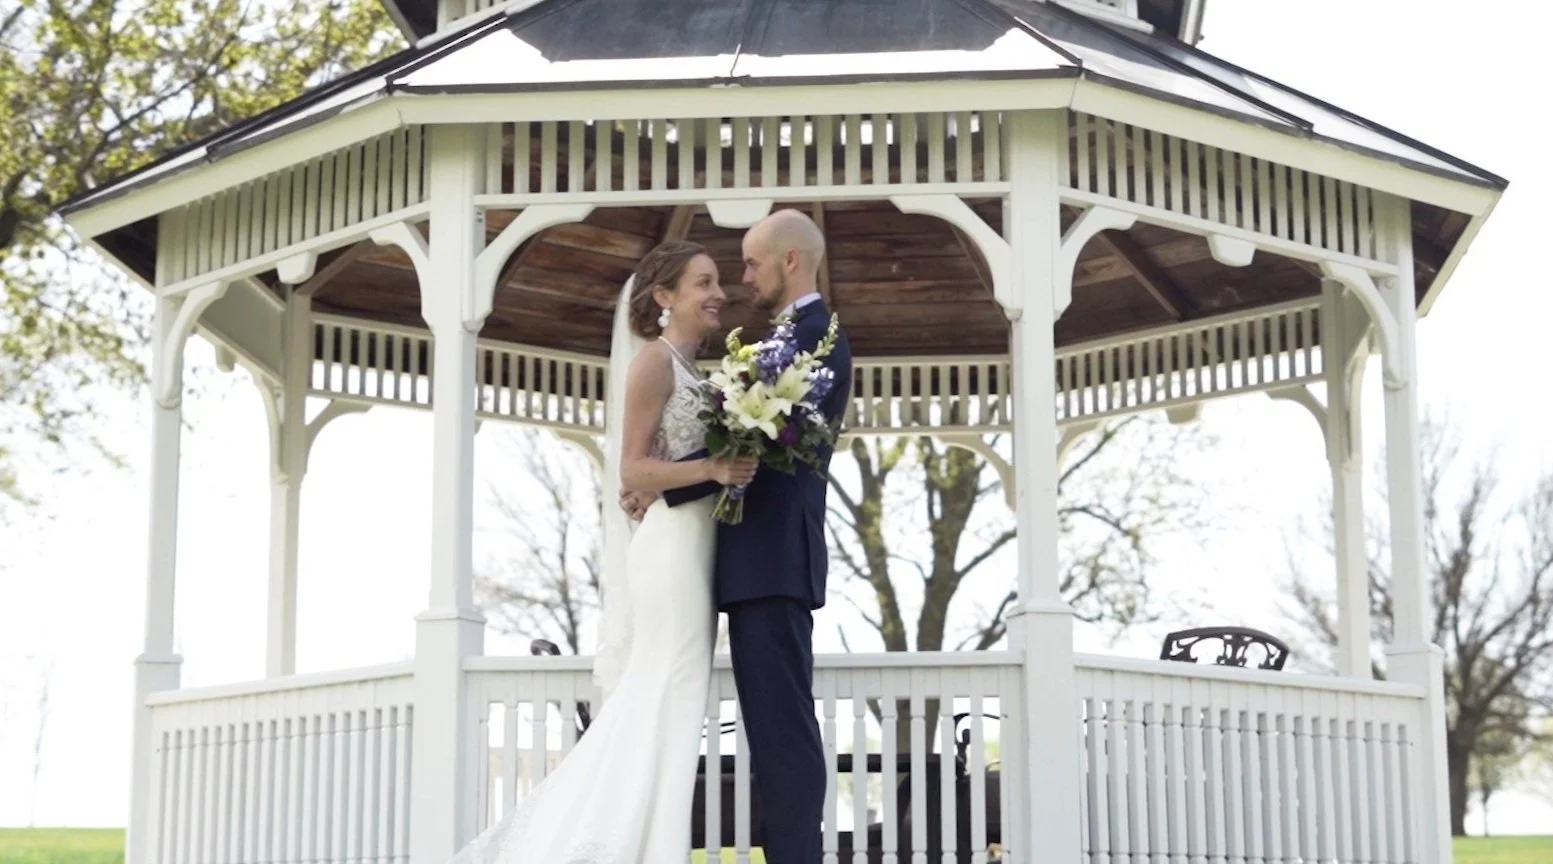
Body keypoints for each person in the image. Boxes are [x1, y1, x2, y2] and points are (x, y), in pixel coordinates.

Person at [446, 240, 757, 864]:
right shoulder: (654, 362)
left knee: (677, 698)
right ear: (664, 297)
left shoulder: (701, 373)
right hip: (671, 555)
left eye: (717, 281)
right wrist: (718, 466)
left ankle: (648, 845)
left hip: (695, 546)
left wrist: (712, 469)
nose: (718, 293)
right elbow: (634, 470)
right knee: (662, 690)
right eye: (703, 283)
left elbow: (659, 474)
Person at [623, 209, 854, 864]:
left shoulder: (816, 339)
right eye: (716, 277)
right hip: (738, 565)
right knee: (769, 732)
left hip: (772, 565)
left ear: (789, 261)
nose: (737, 281)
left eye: (749, 265)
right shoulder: (781, 342)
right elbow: (737, 448)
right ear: (663, 296)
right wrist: (666, 481)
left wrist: (668, 481)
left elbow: (766, 446)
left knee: (783, 738)